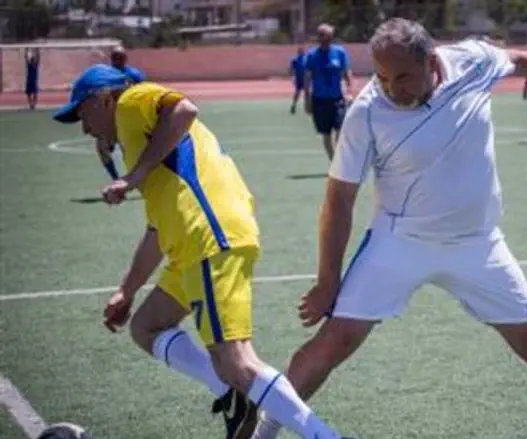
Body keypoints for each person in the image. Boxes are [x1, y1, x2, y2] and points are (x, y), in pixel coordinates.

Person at [254, 18, 527, 439]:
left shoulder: (472, 62)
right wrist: (327, 281)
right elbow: (339, 198)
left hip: (477, 244)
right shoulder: (367, 111)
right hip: (399, 243)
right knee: (335, 340)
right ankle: (262, 432)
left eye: (403, 77)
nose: (392, 89)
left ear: (432, 61)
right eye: (381, 76)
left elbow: (517, 60)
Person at [52, 64, 355, 439]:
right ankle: (230, 391)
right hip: (193, 241)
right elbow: (157, 229)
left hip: (208, 237)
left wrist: (133, 176)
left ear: (103, 98)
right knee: (147, 327)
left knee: (237, 360)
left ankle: (325, 435)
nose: (84, 128)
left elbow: (184, 108)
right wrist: (127, 290)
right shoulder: (141, 140)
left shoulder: (130, 100)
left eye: (83, 113)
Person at [304, 23, 353, 161]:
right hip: (319, 100)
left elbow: (346, 72)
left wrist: (349, 90)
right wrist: (307, 100)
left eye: (329, 35)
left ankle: (340, 159)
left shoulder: (340, 52)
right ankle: (334, 162)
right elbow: (307, 78)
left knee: (341, 129)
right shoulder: (312, 55)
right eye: (323, 35)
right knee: (326, 134)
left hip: (337, 99)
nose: (327, 38)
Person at [96, 47, 146, 181]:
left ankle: (136, 178)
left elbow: (144, 94)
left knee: (129, 151)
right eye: (115, 58)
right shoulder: (103, 75)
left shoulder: (134, 75)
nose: (117, 61)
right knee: (102, 148)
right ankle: (116, 179)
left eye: (120, 58)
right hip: (109, 119)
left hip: (127, 117)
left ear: (125, 59)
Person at [289, 47, 308, 114]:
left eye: (302, 51)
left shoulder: (306, 58)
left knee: (307, 93)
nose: (302, 52)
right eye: (300, 51)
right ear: (298, 52)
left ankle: (307, 107)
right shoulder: (295, 59)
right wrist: (292, 77)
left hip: (305, 78)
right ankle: (294, 105)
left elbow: (310, 68)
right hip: (298, 78)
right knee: (297, 92)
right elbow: (291, 68)